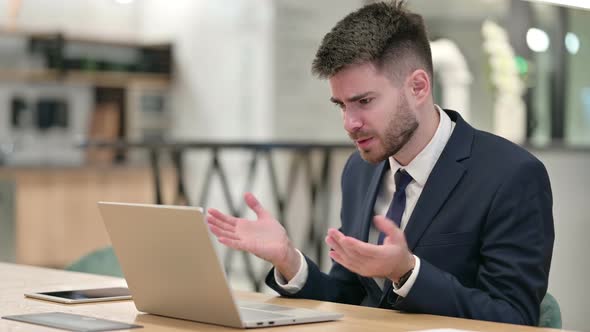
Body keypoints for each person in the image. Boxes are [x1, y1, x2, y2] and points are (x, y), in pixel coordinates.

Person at [206, 0, 554, 326]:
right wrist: (288, 260)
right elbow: (349, 297)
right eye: (341, 105)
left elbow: (514, 318)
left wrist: (407, 273)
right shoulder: (360, 170)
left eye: (364, 101)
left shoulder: (511, 175)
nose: (349, 123)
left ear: (418, 86)